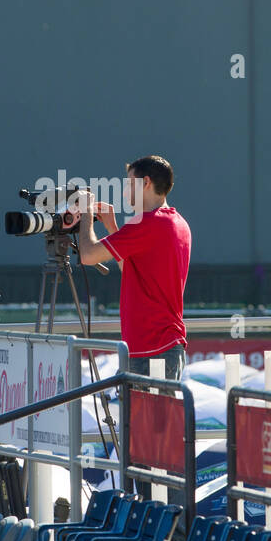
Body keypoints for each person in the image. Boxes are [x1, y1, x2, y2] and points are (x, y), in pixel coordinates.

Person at [75, 155, 192, 380]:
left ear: (146, 183)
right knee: (155, 416)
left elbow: (88, 255)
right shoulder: (177, 222)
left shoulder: (148, 224)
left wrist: (86, 213)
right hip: (163, 345)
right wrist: (111, 226)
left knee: (140, 416)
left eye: (129, 184)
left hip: (150, 348)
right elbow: (132, 269)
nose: (125, 191)